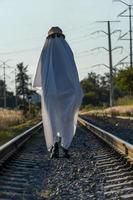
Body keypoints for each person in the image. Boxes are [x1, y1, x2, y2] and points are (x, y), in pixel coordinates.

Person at [33, 26, 83, 158]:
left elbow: (41, 75)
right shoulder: (66, 49)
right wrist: (76, 91)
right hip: (68, 92)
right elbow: (73, 73)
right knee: (67, 119)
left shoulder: (46, 50)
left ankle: (55, 145)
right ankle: (64, 145)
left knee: (52, 119)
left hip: (52, 93)